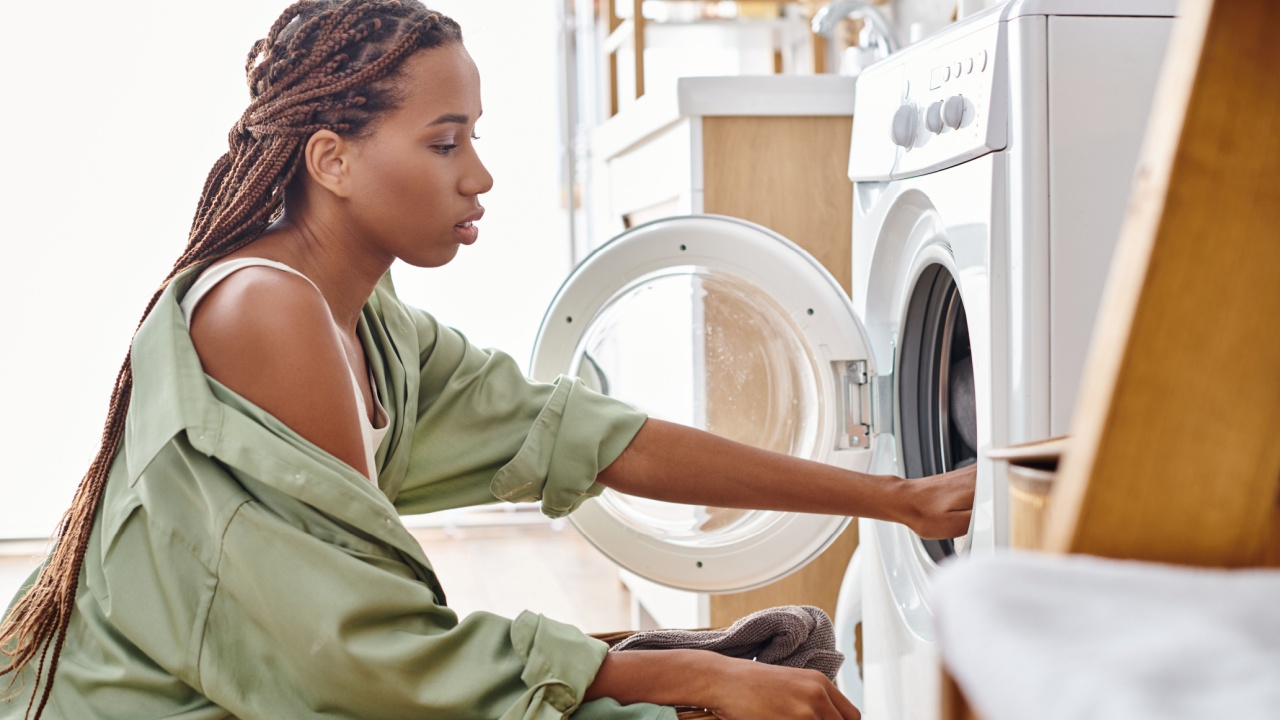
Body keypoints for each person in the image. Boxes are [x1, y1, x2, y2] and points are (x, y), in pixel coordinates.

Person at [0, 2, 975, 719]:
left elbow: (591, 441)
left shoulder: (367, 319)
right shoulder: (264, 313)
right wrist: (690, 671)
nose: (479, 174)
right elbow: (365, 661)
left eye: (475, 135)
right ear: (332, 159)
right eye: (443, 140)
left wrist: (897, 501)